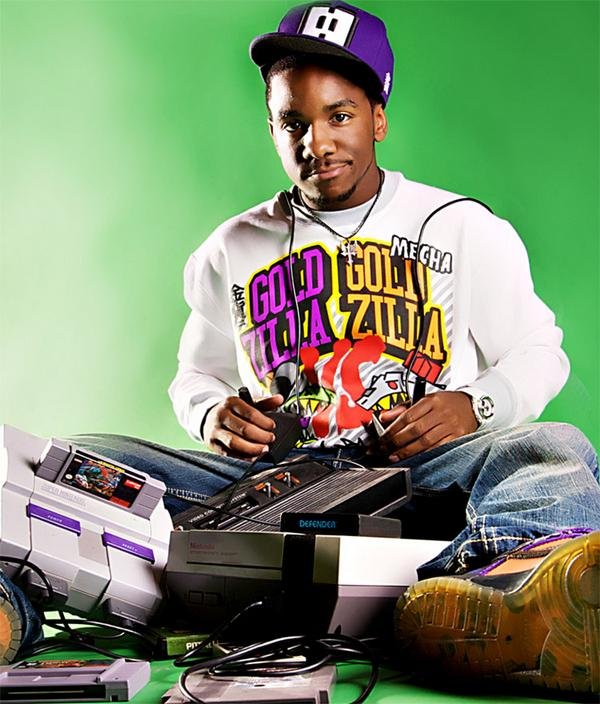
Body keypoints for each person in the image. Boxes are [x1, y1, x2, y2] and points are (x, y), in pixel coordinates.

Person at [1, 0, 598, 695]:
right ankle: (7, 611)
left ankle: (501, 599)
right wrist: (212, 414)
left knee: (552, 448)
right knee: (69, 464)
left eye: (339, 115)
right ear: (272, 126)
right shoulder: (232, 246)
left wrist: (474, 404)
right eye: (294, 122)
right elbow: (195, 376)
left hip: (416, 478)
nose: (317, 141)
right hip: (271, 488)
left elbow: (539, 351)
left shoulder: (460, 227)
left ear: (378, 118)